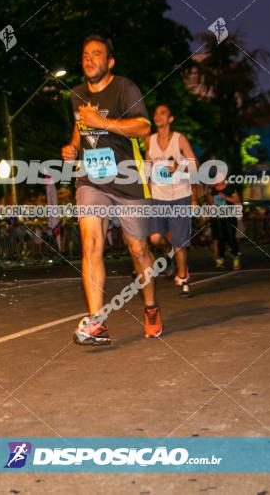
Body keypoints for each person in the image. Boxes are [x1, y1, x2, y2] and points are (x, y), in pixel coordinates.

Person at [62, 35, 158, 345]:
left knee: (139, 250)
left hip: (128, 179)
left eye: (96, 54)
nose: (89, 59)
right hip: (92, 179)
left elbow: (144, 127)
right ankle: (97, 321)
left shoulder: (125, 89)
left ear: (110, 62)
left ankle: (151, 307)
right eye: (85, 54)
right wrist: (72, 146)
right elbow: (80, 125)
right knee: (91, 244)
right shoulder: (76, 94)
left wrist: (104, 123)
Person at [145, 103, 198, 297]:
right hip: (158, 196)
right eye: (156, 113)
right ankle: (169, 255)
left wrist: (179, 166)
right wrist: (147, 187)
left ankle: (183, 278)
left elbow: (194, 164)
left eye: (162, 113)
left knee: (180, 243)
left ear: (170, 119)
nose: (158, 116)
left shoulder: (179, 139)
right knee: (155, 238)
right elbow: (147, 168)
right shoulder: (149, 141)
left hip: (180, 195)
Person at [207, 174, 241, 270]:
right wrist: (212, 204)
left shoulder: (230, 188)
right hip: (218, 218)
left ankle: (236, 260)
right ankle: (220, 260)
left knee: (231, 238)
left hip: (229, 217)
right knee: (220, 239)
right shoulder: (212, 190)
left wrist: (225, 197)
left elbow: (237, 199)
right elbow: (210, 202)